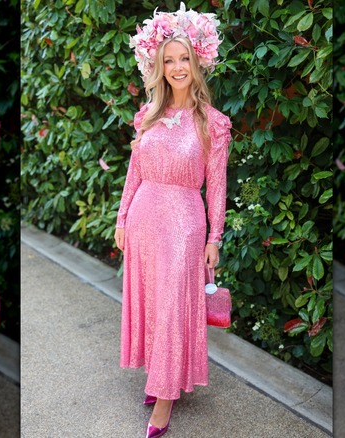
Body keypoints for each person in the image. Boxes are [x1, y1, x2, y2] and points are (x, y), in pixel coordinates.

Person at [114, 3, 231, 437]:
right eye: (169, 60)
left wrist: (214, 237)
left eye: (185, 58)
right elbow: (135, 170)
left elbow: (216, 186)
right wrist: (122, 216)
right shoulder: (148, 115)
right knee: (151, 303)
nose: (178, 67)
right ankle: (158, 376)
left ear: (198, 61)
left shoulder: (213, 124)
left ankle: (164, 400)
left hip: (184, 225)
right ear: (158, 66)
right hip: (144, 219)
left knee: (171, 308)